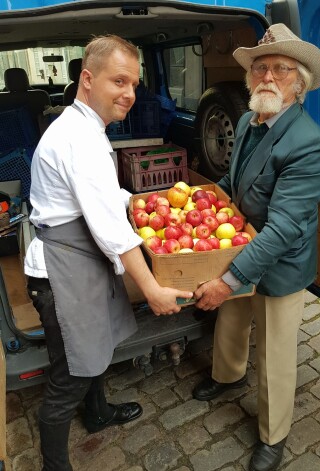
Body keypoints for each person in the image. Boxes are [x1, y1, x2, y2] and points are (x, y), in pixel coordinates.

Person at [24, 35, 192, 471]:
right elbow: (112, 232)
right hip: (62, 275)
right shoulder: (78, 138)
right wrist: (152, 288)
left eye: (134, 84)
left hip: (81, 264)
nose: (130, 94)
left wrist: (137, 199)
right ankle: (53, 466)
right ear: (87, 79)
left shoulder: (85, 127)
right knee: (68, 377)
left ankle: (97, 413)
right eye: (119, 81)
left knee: (93, 349)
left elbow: (97, 196)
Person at [193, 24, 320, 471]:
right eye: (261, 68)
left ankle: (274, 436)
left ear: (299, 83)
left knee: (274, 353)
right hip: (239, 244)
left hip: (278, 260)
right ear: (251, 79)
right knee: (231, 321)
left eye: (281, 69)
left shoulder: (309, 144)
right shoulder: (252, 120)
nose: (268, 76)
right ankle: (227, 377)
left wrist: (228, 277)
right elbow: (234, 184)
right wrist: (204, 201)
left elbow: (283, 229)